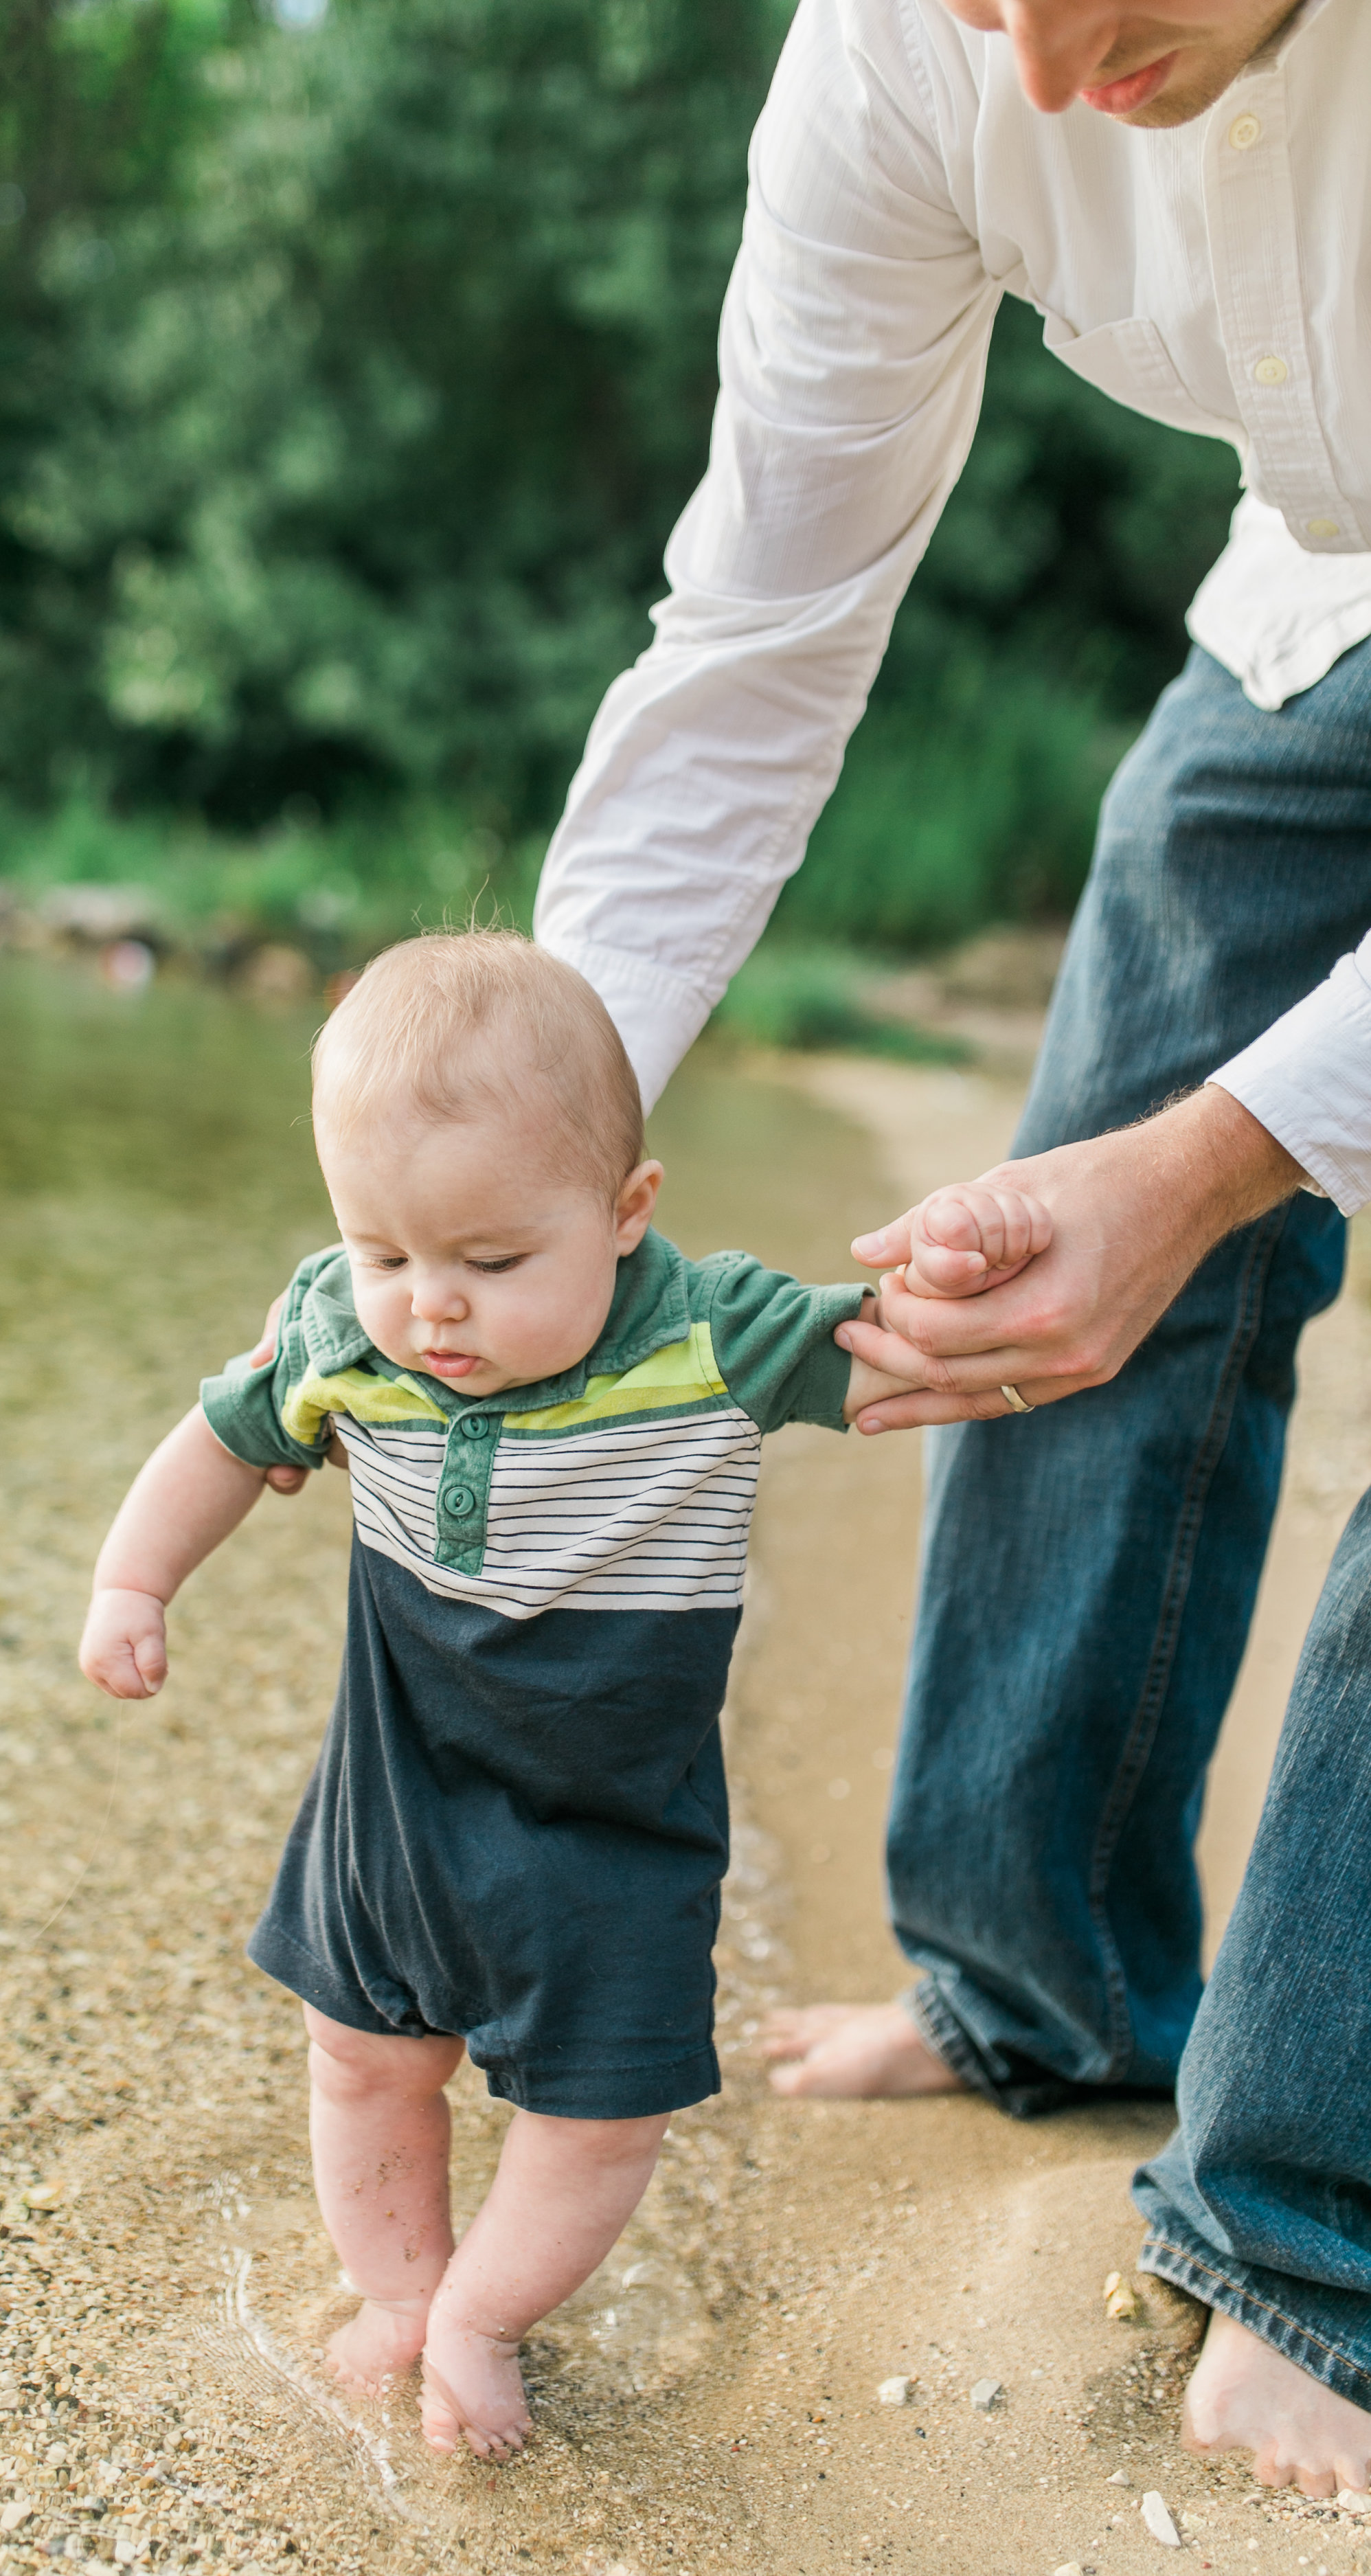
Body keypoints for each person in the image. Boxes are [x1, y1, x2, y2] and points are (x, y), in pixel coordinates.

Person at [528, 0, 1371, 2499]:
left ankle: (1321, 2224)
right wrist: (512, 1177)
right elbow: (760, 636)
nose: (1033, 78)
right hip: (1314, 602)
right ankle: (1043, 1984)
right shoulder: (909, 58)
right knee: (1088, 1139)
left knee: (1168, 1166)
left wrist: (1223, 1159)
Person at [78, 931, 1036, 2461]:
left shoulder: (711, 1335)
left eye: (491, 1262)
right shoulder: (341, 1330)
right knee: (357, 2051)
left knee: (601, 2111)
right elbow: (215, 1435)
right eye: (386, 1253)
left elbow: (902, 1356)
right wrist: (135, 1583)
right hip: (394, 1797)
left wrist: (965, 1284)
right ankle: (399, 2289)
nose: (430, 1309)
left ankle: (483, 2312)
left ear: (624, 1210)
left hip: (613, 1823)